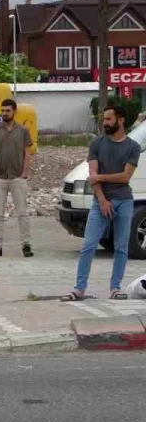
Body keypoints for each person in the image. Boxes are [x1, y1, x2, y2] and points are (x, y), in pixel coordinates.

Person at [63, 105, 141, 302]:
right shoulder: (97, 144)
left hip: (124, 201)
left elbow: (125, 177)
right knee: (88, 245)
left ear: (120, 120)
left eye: (108, 119)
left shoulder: (133, 147)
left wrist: (100, 177)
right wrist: (102, 200)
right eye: (104, 119)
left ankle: (115, 288)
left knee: (121, 247)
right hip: (100, 202)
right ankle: (79, 289)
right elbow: (92, 177)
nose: (104, 123)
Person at [0, 98, 34, 258]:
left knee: (22, 213)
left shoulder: (23, 131)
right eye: (2, 111)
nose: (4, 113)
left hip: (17, 177)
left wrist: (25, 172)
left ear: (14, 111)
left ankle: (26, 245)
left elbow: (27, 152)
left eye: (7, 111)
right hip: (0, 178)